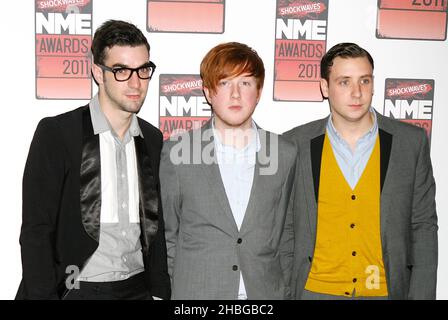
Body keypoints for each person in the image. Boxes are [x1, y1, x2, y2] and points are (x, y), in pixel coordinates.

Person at [16, 20, 170, 300]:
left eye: (143, 70)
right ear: (98, 72)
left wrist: (160, 292)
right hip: (77, 289)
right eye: (122, 71)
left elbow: (155, 229)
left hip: (138, 290)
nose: (136, 83)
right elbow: (36, 232)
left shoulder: (153, 139)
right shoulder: (58, 134)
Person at [284, 42, 438, 300]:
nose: (357, 93)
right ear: (325, 87)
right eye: (344, 82)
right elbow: (284, 229)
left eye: (364, 81)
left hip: (384, 291)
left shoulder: (410, 142)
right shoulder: (293, 144)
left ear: (374, 84)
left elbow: (423, 226)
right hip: (313, 291)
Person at [160, 42, 297, 299]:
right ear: (208, 92)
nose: (235, 94)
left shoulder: (284, 152)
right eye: (224, 83)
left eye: (245, 83)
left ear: (258, 92)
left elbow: (285, 235)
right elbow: (167, 236)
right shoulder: (177, 153)